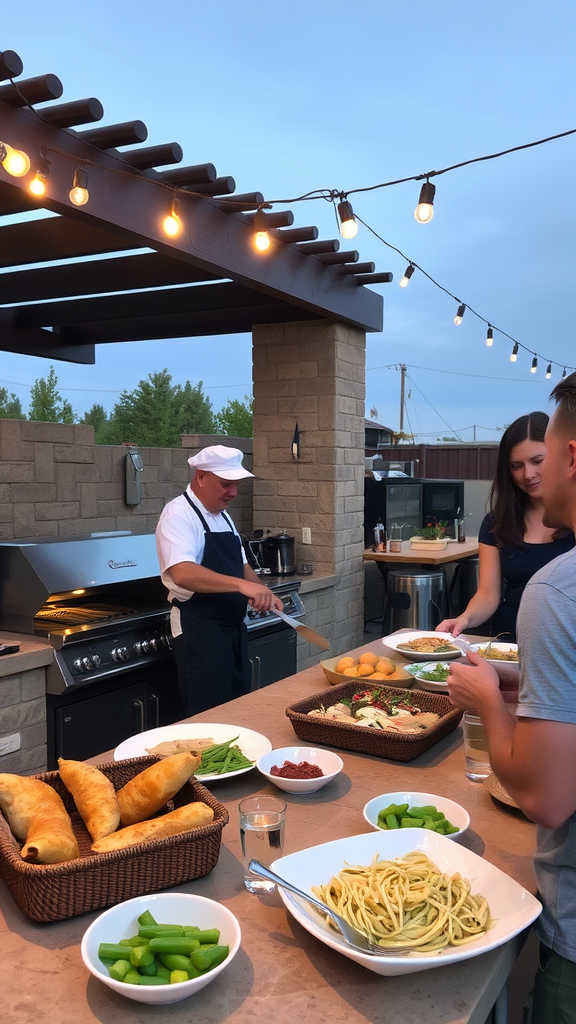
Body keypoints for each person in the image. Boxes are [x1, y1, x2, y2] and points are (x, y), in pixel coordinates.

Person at [447, 371, 576, 1024]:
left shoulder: (558, 592)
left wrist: (491, 706)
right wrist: (521, 684)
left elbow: (546, 798)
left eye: (542, 457)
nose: (533, 473)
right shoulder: (502, 525)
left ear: (569, 459)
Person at [156, 444, 283, 717]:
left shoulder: (223, 516)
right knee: (208, 717)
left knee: (236, 710)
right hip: (199, 633)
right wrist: (240, 585)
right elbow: (183, 572)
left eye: (236, 485)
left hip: (233, 631)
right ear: (200, 477)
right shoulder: (178, 514)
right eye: (226, 484)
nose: (233, 493)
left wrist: (263, 591)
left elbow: (241, 565)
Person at [437, 411, 574, 641]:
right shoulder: (497, 521)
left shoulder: (571, 517)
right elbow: (488, 594)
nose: (528, 474)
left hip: (562, 642)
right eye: (516, 465)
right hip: (506, 642)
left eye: (537, 461)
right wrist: (464, 619)